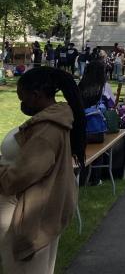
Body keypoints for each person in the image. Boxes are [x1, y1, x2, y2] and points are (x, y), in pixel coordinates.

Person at [0, 67, 86, 274]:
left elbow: (22, 174)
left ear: (36, 96)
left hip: (28, 215)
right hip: (33, 209)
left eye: (22, 97)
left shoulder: (47, 129)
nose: (21, 103)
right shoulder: (51, 120)